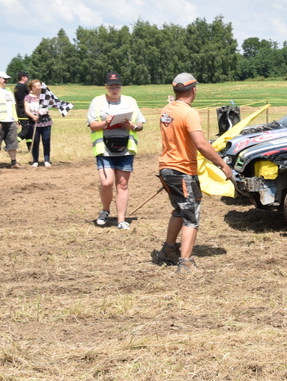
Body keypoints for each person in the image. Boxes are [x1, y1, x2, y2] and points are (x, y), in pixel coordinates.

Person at [154, 73, 231, 272]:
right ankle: (185, 262)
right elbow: (201, 144)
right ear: (194, 90)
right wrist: (222, 164)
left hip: (167, 169)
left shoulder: (167, 109)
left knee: (179, 210)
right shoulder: (189, 113)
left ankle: (168, 250)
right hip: (182, 171)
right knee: (191, 216)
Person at [87, 72, 145, 229]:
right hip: (104, 149)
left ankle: (121, 220)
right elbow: (92, 124)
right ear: (105, 86)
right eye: (111, 86)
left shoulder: (130, 101)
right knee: (107, 182)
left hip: (126, 149)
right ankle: (105, 210)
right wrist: (106, 123)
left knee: (123, 184)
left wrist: (132, 126)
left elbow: (140, 124)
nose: (114, 89)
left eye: (117, 86)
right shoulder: (97, 102)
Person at [0, 70, 25, 171]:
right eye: (4, 79)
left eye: (7, 79)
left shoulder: (8, 90)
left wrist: (16, 120)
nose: (6, 80)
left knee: (13, 143)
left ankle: (14, 162)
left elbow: (13, 106)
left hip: (10, 120)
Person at [24, 79, 53, 167]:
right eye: (38, 85)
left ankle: (47, 160)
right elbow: (26, 110)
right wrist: (33, 116)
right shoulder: (28, 97)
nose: (40, 87)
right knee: (35, 141)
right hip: (35, 122)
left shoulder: (44, 96)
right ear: (33, 87)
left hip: (46, 121)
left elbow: (52, 103)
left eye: (40, 85)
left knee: (46, 141)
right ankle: (35, 160)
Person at [13, 72, 32, 152]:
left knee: (28, 130)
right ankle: (11, 144)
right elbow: (31, 94)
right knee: (27, 128)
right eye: (27, 77)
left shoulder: (17, 86)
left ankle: (30, 148)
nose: (28, 79)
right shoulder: (24, 86)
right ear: (23, 77)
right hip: (24, 110)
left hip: (19, 109)